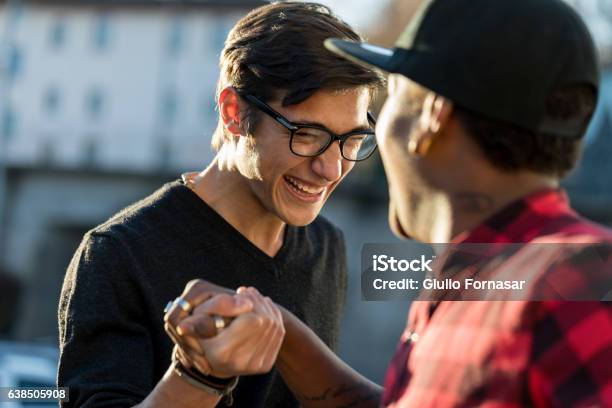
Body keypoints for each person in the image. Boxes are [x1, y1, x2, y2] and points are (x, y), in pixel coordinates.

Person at [168, 0, 612, 406]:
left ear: (431, 116)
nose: (332, 165)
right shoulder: (485, 280)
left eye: (390, 98)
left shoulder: (583, 281)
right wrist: (278, 330)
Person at [56, 2, 384, 407]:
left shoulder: (326, 245)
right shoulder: (117, 255)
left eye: (352, 139)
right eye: (308, 134)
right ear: (233, 113)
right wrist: (196, 376)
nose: (332, 168)